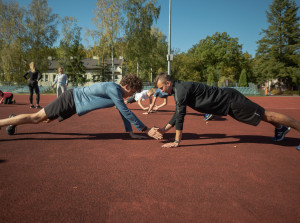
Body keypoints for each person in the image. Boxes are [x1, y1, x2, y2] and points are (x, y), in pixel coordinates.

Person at [153, 73, 300, 148]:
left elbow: (181, 116)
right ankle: (280, 130)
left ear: (168, 82)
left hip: (230, 101)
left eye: (161, 88)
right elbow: (178, 112)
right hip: (227, 104)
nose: (162, 92)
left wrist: (177, 141)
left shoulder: (181, 90)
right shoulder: (178, 89)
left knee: (267, 115)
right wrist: (165, 130)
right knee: (264, 117)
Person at [0, 74, 162, 140]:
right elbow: (125, 110)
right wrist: (144, 129)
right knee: (36, 118)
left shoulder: (117, 93)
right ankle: (4, 122)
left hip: (73, 105)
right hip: (70, 99)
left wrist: (131, 133)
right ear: (125, 85)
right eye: (132, 92)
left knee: (45, 121)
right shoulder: (113, 89)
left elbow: (122, 111)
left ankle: (13, 121)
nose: (132, 95)